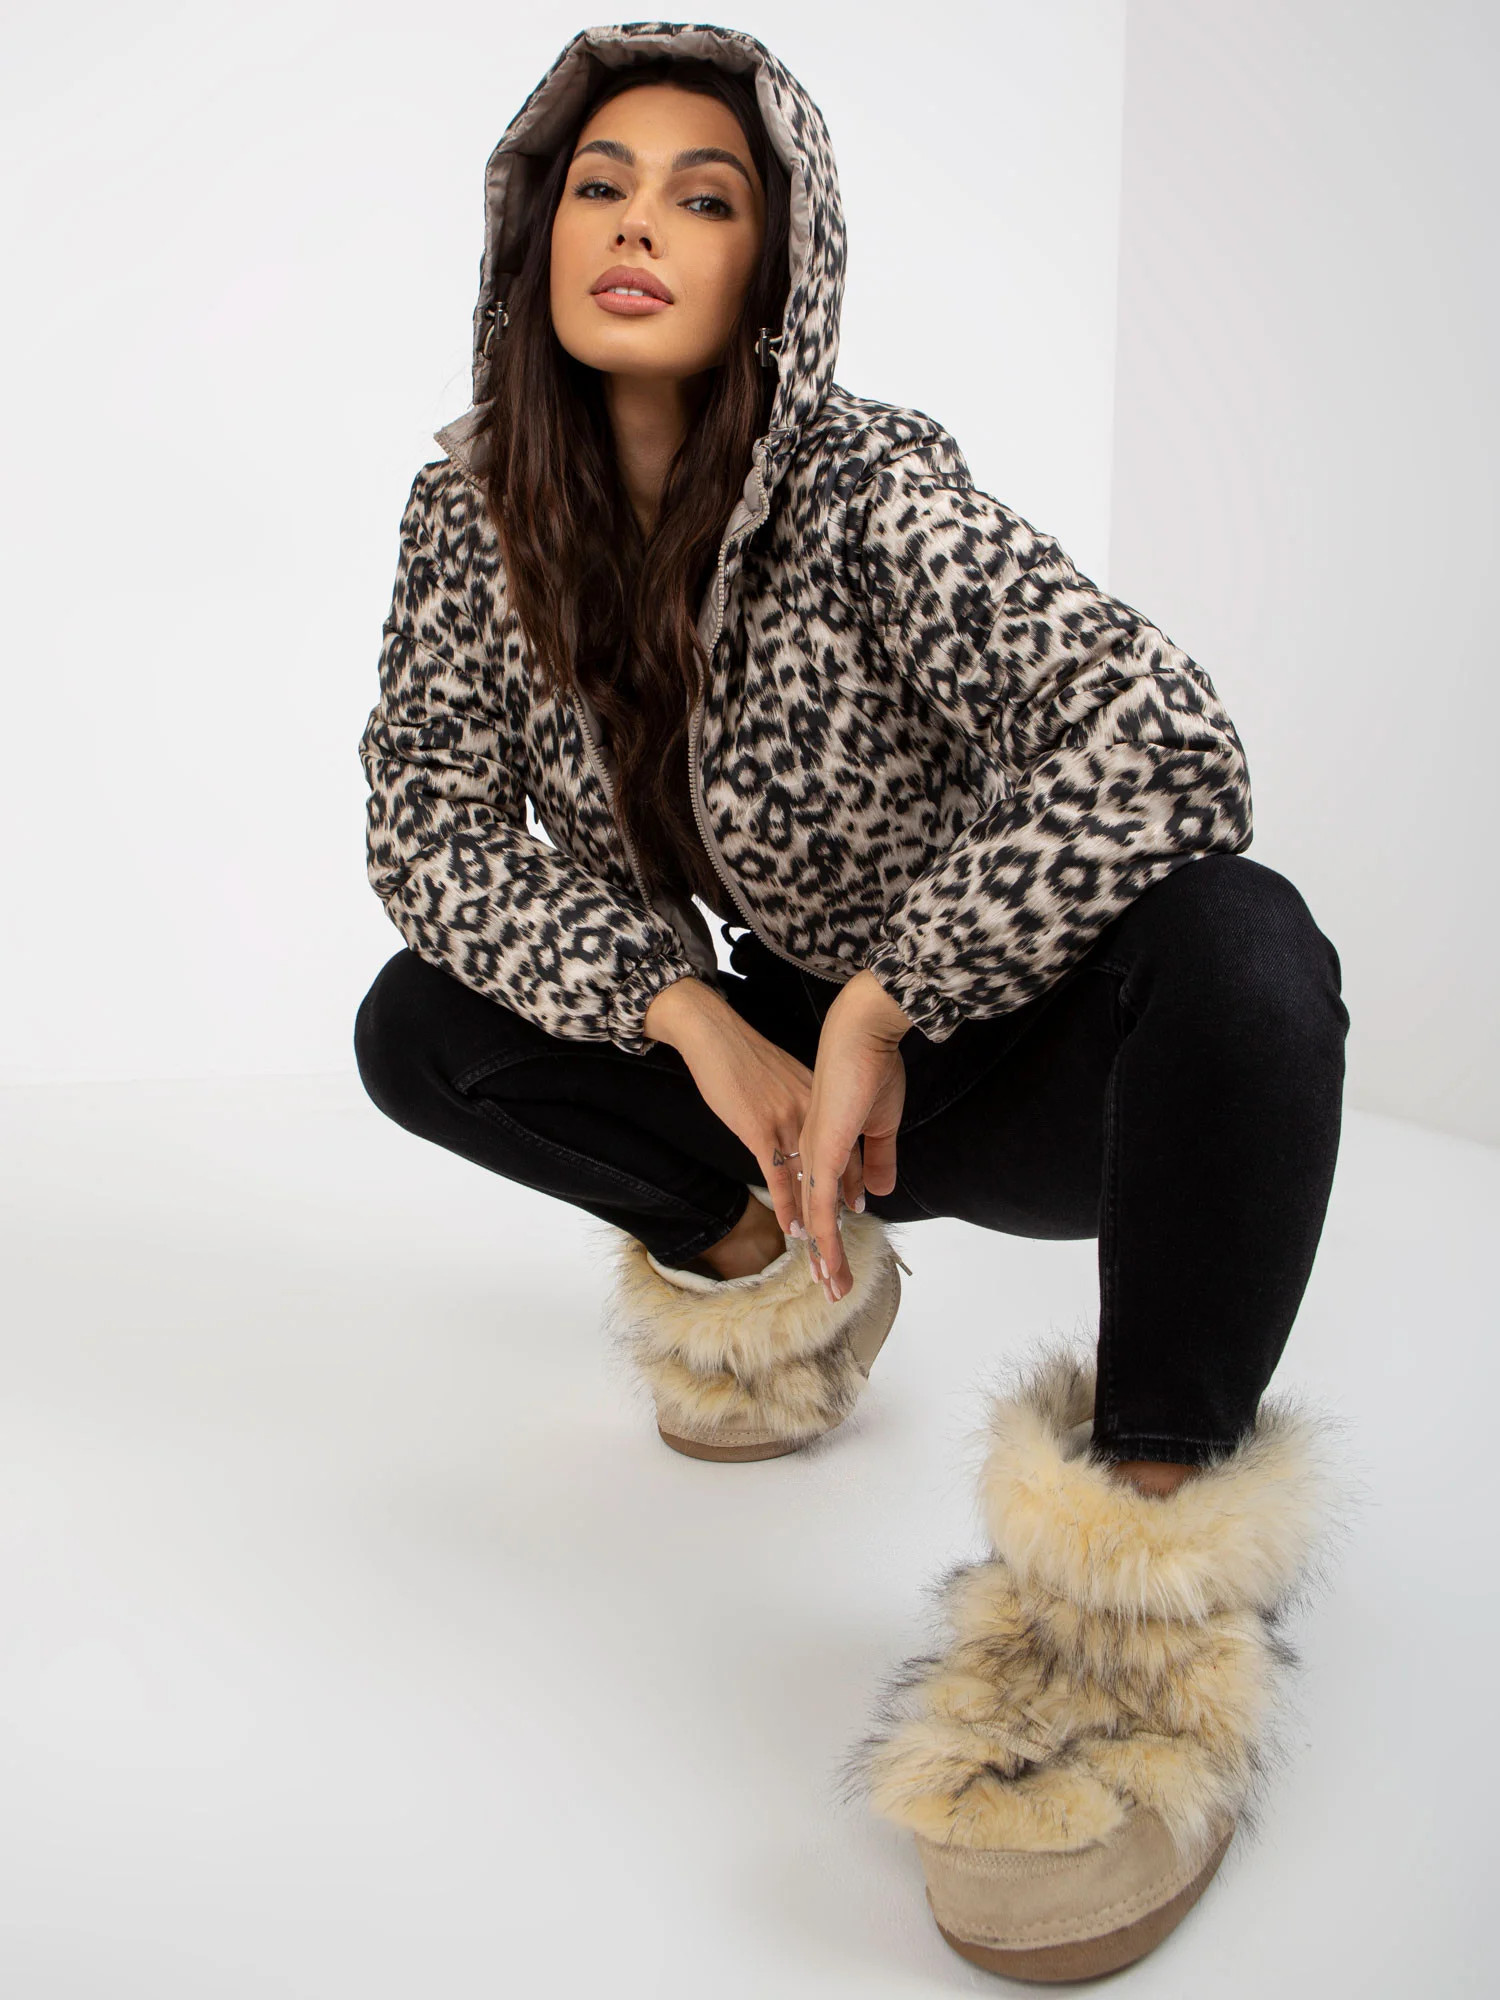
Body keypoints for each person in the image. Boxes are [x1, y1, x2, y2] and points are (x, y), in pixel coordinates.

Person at [353, 22, 1349, 1982]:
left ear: (777, 261)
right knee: (418, 1022)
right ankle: (778, 1262)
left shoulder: (871, 484)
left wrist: (897, 992)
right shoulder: (475, 513)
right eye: (599, 184)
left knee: (1246, 946)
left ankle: (1145, 1581)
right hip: (785, 1078)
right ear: (533, 232)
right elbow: (428, 823)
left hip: (1020, 1052)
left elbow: (1167, 737)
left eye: (703, 195)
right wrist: (690, 1012)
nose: (639, 225)